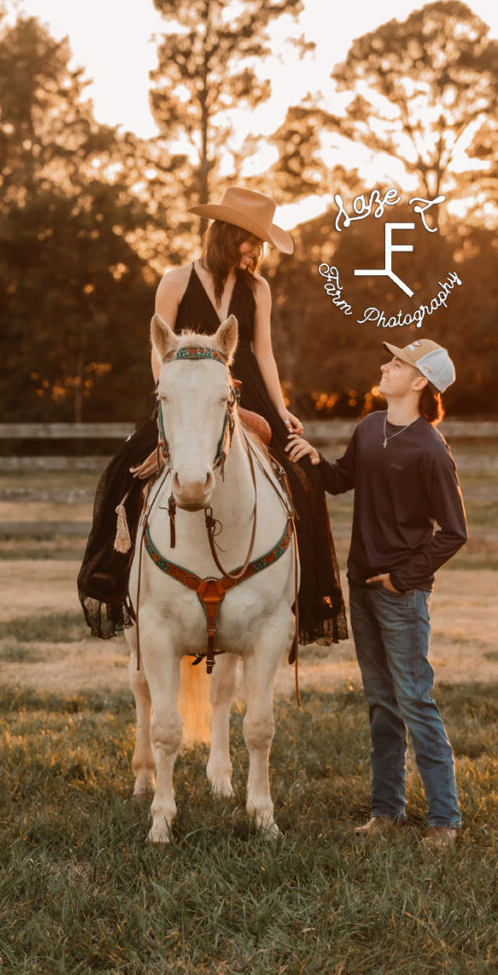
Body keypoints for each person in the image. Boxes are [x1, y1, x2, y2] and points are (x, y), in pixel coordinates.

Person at [78, 186, 348, 648]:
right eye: (251, 240)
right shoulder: (175, 281)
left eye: (260, 243)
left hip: (247, 395)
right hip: (185, 393)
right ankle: (123, 582)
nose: (257, 251)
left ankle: (296, 593)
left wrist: (281, 411)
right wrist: (173, 395)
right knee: (125, 470)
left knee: (301, 472)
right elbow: (158, 348)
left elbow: (263, 353)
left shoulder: (258, 289)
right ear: (227, 234)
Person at [286, 338, 467, 846]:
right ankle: (386, 812)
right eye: (389, 360)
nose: (385, 366)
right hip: (360, 585)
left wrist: (401, 578)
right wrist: (313, 460)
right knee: (381, 704)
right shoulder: (369, 428)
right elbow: (342, 480)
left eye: (398, 363)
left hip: (400, 595)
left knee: (414, 700)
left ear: (419, 382)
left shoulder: (431, 449)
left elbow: (453, 532)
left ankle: (445, 821)